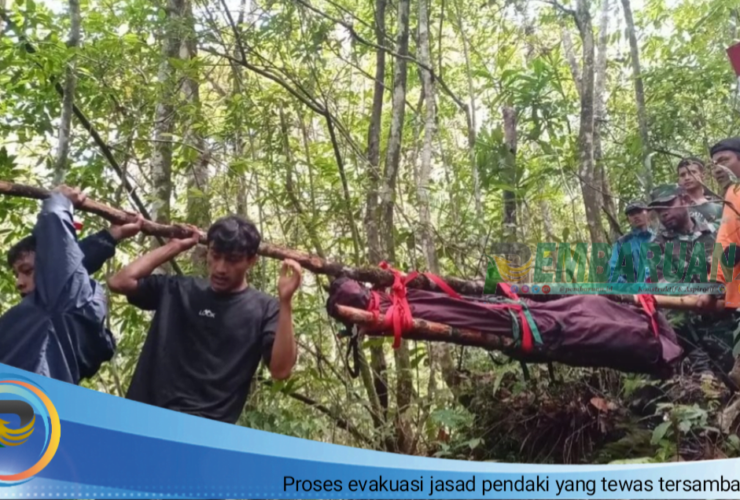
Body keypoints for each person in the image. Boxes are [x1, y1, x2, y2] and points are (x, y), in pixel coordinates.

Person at [107, 215, 301, 424]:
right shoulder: (178, 289)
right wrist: (174, 247)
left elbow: (281, 370)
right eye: (215, 255)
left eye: (232, 260)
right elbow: (120, 282)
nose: (220, 268)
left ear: (251, 261)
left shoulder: (265, 309)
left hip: (205, 429)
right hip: (146, 418)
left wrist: (286, 302)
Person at [0, 185, 143, 384]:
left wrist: (59, 202)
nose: (18, 283)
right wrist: (110, 236)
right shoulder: (64, 307)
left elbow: (62, 260)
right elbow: (72, 267)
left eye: (27, 270)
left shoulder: (55, 303)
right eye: (17, 274)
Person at [648, 184, 736, 378]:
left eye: (668, 205)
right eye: (659, 210)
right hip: (688, 325)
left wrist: (714, 288)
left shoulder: (716, 232)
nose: (663, 213)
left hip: (723, 315)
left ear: (685, 200)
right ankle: (698, 367)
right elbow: (664, 285)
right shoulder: (657, 246)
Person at [607, 200, 653, 283]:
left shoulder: (662, 236)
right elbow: (612, 272)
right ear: (628, 219)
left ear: (648, 213)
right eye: (631, 214)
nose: (636, 216)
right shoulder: (622, 243)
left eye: (639, 211)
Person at [676, 157, 723, 227]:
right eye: (682, 175)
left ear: (703, 175)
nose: (687, 178)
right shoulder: (675, 208)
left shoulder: (718, 207)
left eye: (692, 172)